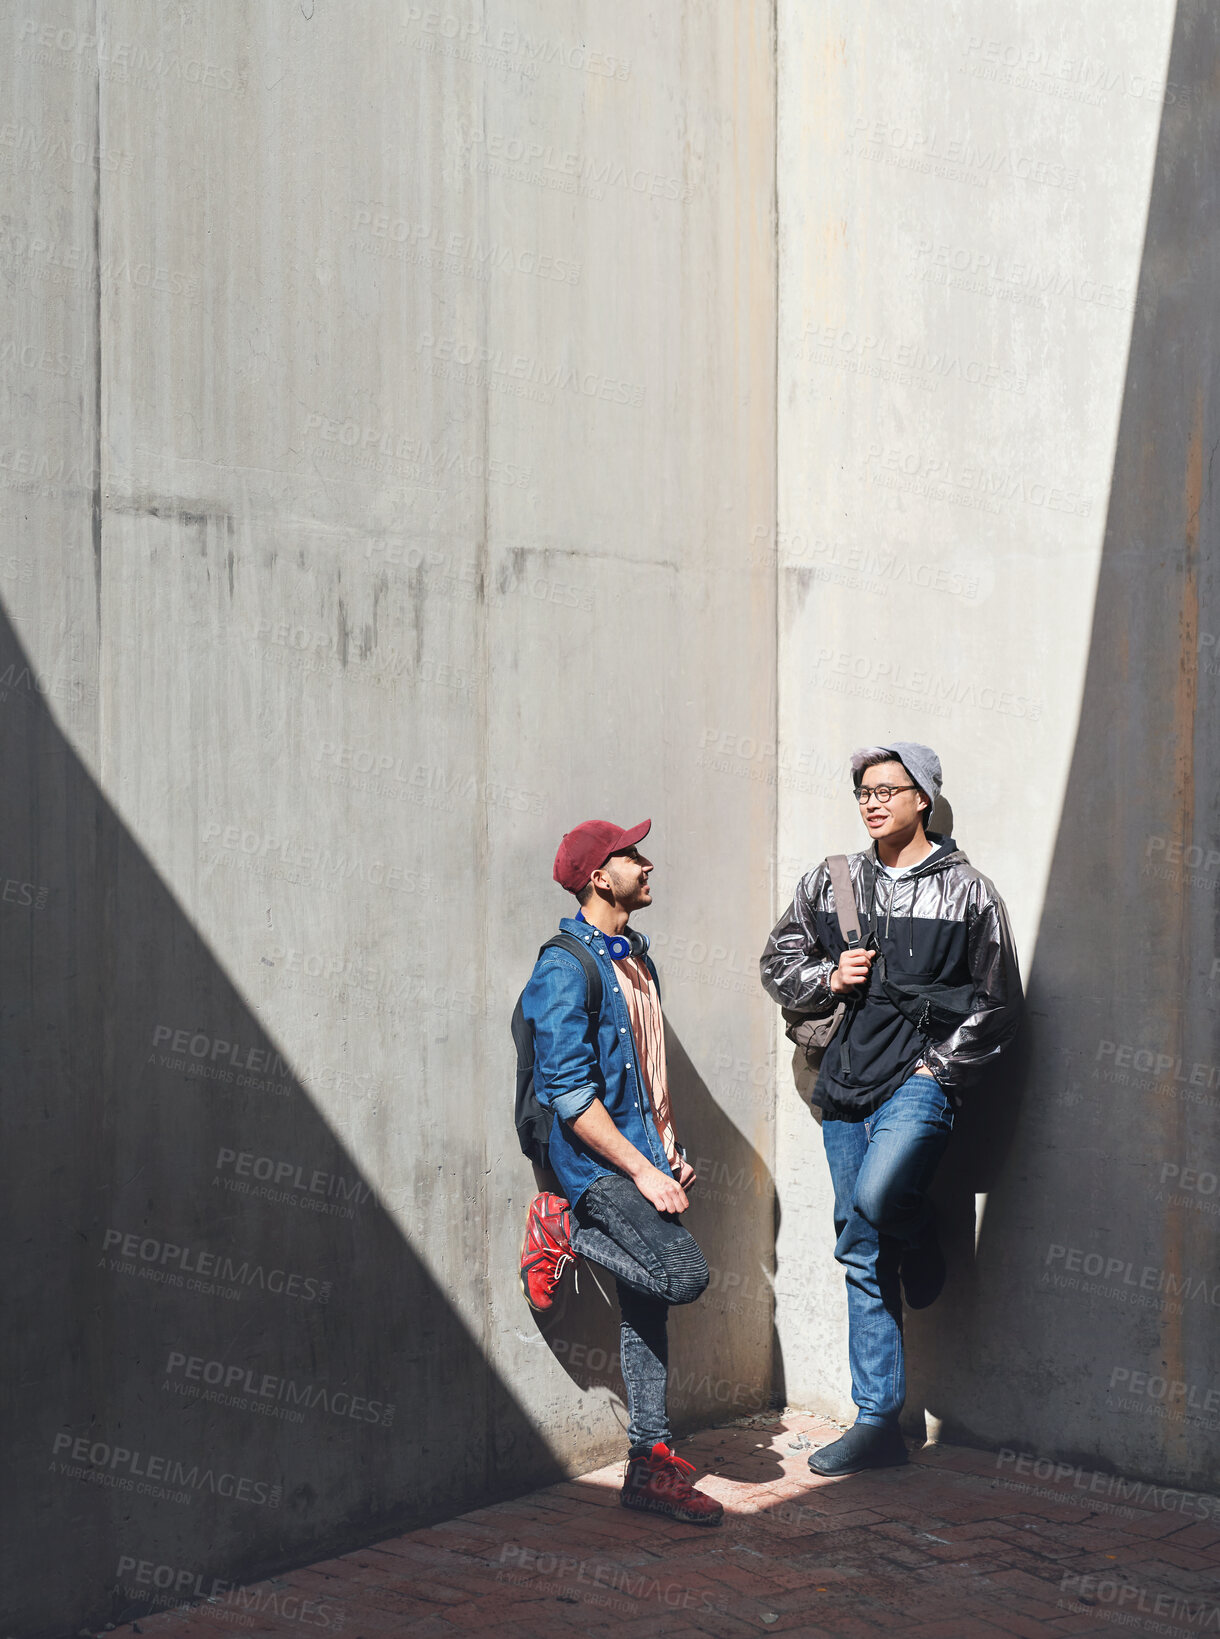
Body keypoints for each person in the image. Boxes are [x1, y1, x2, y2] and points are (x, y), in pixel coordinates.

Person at [760, 743, 1023, 1477]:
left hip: (919, 1081)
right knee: (858, 1247)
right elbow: (775, 964)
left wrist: (939, 1071)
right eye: (864, 791)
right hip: (844, 1084)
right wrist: (826, 973)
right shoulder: (833, 881)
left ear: (923, 798)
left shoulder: (970, 892)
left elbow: (999, 1004)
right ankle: (877, 1421)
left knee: (878, 1200)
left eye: (888, 789)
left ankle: (919, 1227)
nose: (873, 801)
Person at [518, 818, 723, 1524]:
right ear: (600, 876)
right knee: (683, 1274)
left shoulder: (637, 959)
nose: (648, 862)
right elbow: (572, 1096)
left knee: (648, 1307)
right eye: (633, 855)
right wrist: (642, 1170)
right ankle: (563, 1229)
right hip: (596, 1169)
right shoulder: (562, 965)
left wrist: (669, 1153)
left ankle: (648, 1463)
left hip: (644, 1159)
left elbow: (646, 1074)